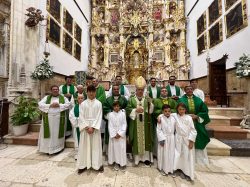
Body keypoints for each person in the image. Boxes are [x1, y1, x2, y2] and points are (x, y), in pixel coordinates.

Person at [178, 85, 210, 165]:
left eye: (191, 89)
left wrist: (197, 116)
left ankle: (198, 160)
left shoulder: (198, 100)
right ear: (185, 91)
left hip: (196, 122)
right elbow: (177, 110)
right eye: (187, 89)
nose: (189, 90)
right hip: (185, 122)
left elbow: (204, 111)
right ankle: (186, 160)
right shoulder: (181, 100)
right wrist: (185, 116)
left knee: (199, 137)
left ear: (193, 90)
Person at [126, 76, 154, 166]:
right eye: (139, 90)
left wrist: (151, 104)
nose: (140, 91)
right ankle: (137, 159)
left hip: (145, 123)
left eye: (142, 90)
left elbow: (150, 111)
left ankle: (145, 158)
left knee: (146, 139)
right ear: (136, 90)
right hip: (135, 123)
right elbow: (127, 109)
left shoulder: (147, 100)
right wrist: (135, 110)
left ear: (144, 90)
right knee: (137, 141)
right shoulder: (131, 99)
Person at [77, 85, 103, 174]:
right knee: (84, 147)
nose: (91, 93)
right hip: (86, 129)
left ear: (95, 92)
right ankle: (83, 165)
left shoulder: (99, 103)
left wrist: (93, 127)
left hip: (95, 129)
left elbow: (99, 116)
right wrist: (87, 127)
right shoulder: (83, 104)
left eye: (93, 91)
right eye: (89, 91)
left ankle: (97, 165)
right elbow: (81, 116)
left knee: (96, 147)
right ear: (86, 92)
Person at [38, 85, 70, 154]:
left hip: (59, 120)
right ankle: (47, 149)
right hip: (48, 119)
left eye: (56, 89)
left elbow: (68, 104)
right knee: (48, 134)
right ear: (51, 90)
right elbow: (40, 104)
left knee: (57, 134)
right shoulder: (46, 97)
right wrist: (50, 105)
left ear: (58, 90)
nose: (55, 90)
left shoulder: (63, 98)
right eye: (54, 89)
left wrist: (59, 105)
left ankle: (57, 149)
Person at [172, 103, 197, 181]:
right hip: (178, 138)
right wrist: (159, 117)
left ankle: (186, 172)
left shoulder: (189, 118)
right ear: (177, 110)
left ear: (185, 110)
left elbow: (193, 130)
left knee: (186, 155)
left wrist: (191, 141)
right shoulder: (175, 116)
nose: (181, 111)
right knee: (177, 154)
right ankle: (176, 169)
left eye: (183, 109)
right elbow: (164, 114)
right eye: (180, 109)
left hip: (186, 139)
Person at [103, 84, 128, 151]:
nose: (116, 90)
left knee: (120, 141)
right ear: (112, 90)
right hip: (111, 123)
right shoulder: (108, 99)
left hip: (121, 122)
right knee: (111, 140)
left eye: (117, 89)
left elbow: (127, 108)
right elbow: (105, 109)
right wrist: (112, 113)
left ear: (119, 90)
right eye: (114, 89)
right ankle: (110, 153)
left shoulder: (123, 99)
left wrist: (122, 111)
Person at [107, 102, 127, 171]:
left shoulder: (123, 114)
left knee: (121, 149)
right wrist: (114, 134)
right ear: (113, 107)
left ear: (120, 107)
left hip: (121, 135)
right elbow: (110, 125)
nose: (116, 108)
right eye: (115, 106)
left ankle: (122, 163)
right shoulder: (110, 114)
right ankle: (116, 163)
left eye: (118, 106)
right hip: (114, 135)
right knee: (114, 149)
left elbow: (124, 124)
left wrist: (120, 133)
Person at [156, 104, 175, 176]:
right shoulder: (161, 119)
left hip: (172, 138)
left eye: (169, 111)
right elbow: (158, 130)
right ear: (162, 111)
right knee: (163, 154)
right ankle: (163, 168)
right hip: (164, 138)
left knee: (171, 154)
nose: (167, 112)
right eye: (165, 111)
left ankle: (170, 169)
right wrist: (161, 139)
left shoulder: (173, 118)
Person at [69, 95, 84, 159]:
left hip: (84, 127)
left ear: (84, 99)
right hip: (77, 126)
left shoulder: (86, 106)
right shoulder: (75, 107)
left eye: (81, 98)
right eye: (79, 98)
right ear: (77, 99)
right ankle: (78, 154)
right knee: (78, 141)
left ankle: (85, 154)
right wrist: (77, 119)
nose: (80, 99)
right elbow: (71, 116)